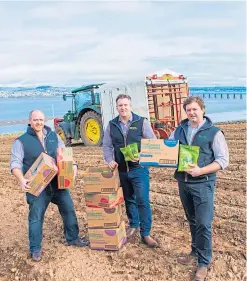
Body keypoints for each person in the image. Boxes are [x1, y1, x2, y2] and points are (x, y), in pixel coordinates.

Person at [10, 110, 88, 262]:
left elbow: (64, 154)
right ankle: (35, 249)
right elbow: (15, 163)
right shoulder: (21, 141)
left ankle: (73, 238)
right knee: (36, 217)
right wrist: (20, 179)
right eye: (35, 120)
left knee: (69, 209)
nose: (38, 122)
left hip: (57, 183)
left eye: (41, 119)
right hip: (38, 187)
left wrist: (74, 166)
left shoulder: (53, 136)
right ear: (30, 121)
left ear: (44, 120)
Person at [170, 96, 229, 281]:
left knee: (204, 222)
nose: (192, 113)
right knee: (192, 220)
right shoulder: (179, 130)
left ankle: (204, 262)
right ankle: (195, 251)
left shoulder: (213, 132)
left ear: (203, 110)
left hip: (203, 183)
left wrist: (201, 170)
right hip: (183, 182)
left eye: (195, 109)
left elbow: (222, 160)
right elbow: (167, 150)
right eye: (188, 110)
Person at [103, 94, 159, 248]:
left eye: (126, 105)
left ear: (130, 106)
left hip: (139, 169)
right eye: (120, 105)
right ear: (117, 108)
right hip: (121, 170)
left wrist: (142, 156)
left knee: (142, 200)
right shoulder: (112, 125)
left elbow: (153, 143)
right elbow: (107, 145)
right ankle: (133, 225)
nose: (123, 108)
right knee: (129, 199)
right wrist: (109, 160)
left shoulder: (141, 122)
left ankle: (146, 233)